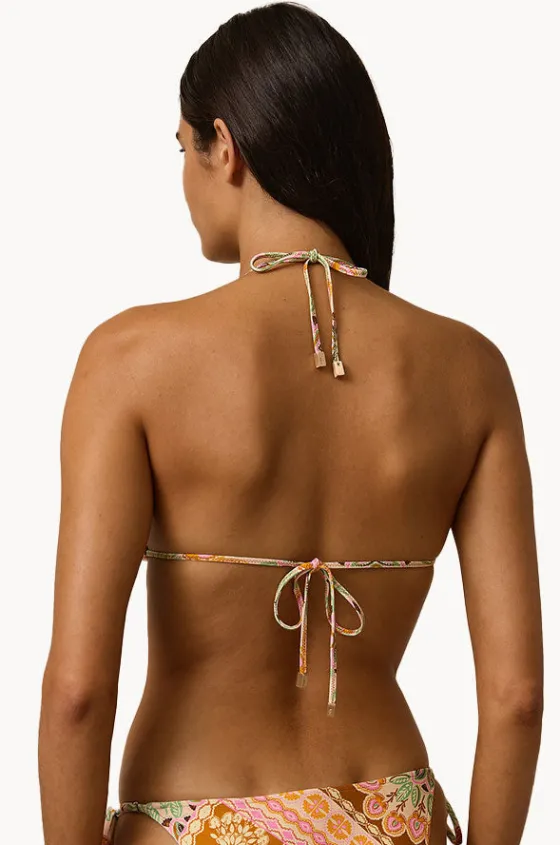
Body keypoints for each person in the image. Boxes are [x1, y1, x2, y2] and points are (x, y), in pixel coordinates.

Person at [38, 3, 543, 845]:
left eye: (182, 148)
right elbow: (517, 697)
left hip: (192, 817)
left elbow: (77, 692)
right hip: (392, 811)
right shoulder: (472, 371)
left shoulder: (130, 359)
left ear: (225, 146)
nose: (184, 179)